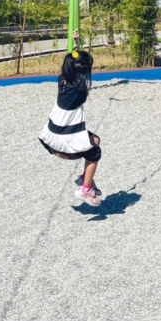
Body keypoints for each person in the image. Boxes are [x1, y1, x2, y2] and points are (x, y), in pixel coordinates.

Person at [38, 49, 103, 207]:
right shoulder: (80, 93)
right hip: (63, 142)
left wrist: (74, 44)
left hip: (50, 135)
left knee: (96, 139)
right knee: (95, 152)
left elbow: (73, 59)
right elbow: (83, 90)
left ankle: (85, 178)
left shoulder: (61, 80)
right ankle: (86, 189)